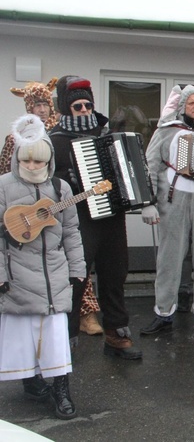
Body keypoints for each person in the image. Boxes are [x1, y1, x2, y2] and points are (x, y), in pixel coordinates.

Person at [49, 76, 142, 360]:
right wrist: (72, 178)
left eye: (87, 104)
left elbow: (130, 165)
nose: (83, 109)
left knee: (115, 274)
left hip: (112, 217)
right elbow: (48, 180)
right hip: (78, 219)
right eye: (77, 105)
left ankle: (115, 333)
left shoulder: (107, 134)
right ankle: (65, 340)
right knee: (75, 278)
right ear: (67, 108)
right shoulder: (55, 140)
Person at [0, 114, 86, 420]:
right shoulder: (3, 187)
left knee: (55, 334)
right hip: (19, 272)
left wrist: (77, 267)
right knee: (24, 331)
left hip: (55, 272)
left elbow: (71, 231)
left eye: (39, 162)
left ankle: (61, 389)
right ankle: (31, 381)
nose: (33, 167)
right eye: (27, 161)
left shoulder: (61, 189)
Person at [6, 80, 103, 336]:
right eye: (35, 104)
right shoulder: (14, 139)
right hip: (25, 222)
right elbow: (8, 171)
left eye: (44, 103)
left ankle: (84, 317)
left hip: (62, 217)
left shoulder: (60, 131)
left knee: (74, 269)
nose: (41, 109)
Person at [139, 85, 194, 337]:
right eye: (191, 103)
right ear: (182, 106)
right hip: (173, 201)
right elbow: (151, 166)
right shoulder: (166, 132)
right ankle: (163, 313)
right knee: (169, 258)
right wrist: (148, 202)